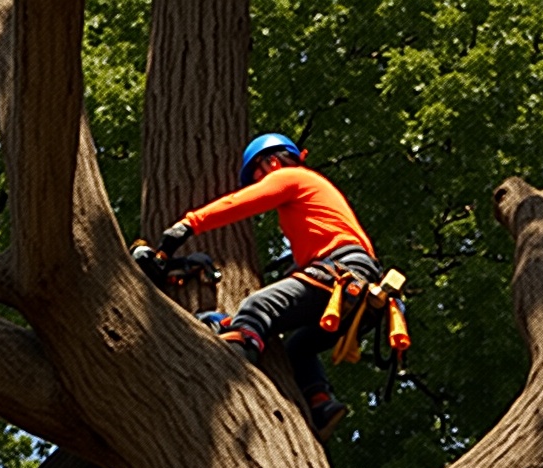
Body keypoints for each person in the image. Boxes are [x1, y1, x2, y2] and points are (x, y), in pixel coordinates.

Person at [153, 133, 388, 438]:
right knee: (298, 349)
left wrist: (188, 224)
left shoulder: (292, 176)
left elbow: (241, 202)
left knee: (258, 306)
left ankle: (234, 360)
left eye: (259, 175)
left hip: (342, 274)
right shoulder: (320, 205)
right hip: (357, 288)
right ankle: (321, 403)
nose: (260, 182)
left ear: (273, 161)